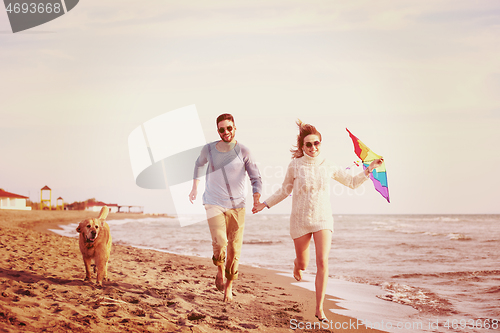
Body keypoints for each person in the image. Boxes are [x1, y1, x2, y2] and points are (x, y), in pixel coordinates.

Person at [252, 120, 383, 320]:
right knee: (304, 264)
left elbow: (351, 182)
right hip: (300, 220)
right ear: (302, 146)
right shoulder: (295, 165)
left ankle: (319, 308)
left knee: (323, 261)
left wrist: (370, 168)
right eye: (309, 144)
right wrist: (265, 204)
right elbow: (285, 190)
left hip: (323, 219)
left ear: (321, 144)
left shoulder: (328, 165)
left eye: (317, 143)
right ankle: (297, 264)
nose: (313, 147)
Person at [189, 113, 262, 302]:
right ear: (218, 131)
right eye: (222, 129)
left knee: (234, 249)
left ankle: (229, 286)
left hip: (237, 206)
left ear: (235, 128)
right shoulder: (209, 149)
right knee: (220, 242)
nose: (226, 132)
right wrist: (194, 188)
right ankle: (220, 268)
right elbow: (198, 165)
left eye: (229, 128)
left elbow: (256, 177)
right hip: (213, 201)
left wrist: (256, 198)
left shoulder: (244, 151)